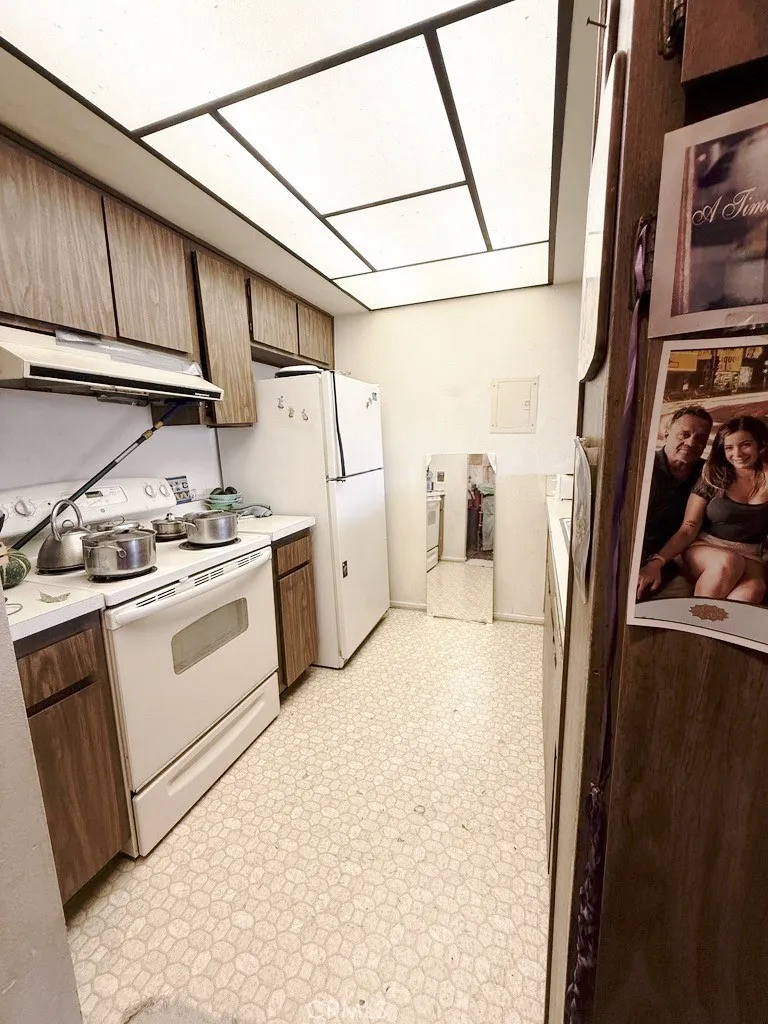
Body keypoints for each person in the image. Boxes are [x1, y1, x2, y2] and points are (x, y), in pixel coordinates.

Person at [637, 415, 768, 604]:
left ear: (760, 444)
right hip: (705, 547)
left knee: (753, 590)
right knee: (728, 562)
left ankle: (706, 623)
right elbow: (688, 528)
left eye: (745, 445)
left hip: (750, 553)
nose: (737, 453)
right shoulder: (713, 474)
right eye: (729, 448)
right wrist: (657, 561)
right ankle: (696, 617)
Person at [640, 405, 713, 591]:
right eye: (684, 434)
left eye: (701, 438)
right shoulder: (642, 467)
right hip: (640, 555)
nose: (691, 442)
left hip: (681, 554)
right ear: (666, 433)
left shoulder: (709, 474)